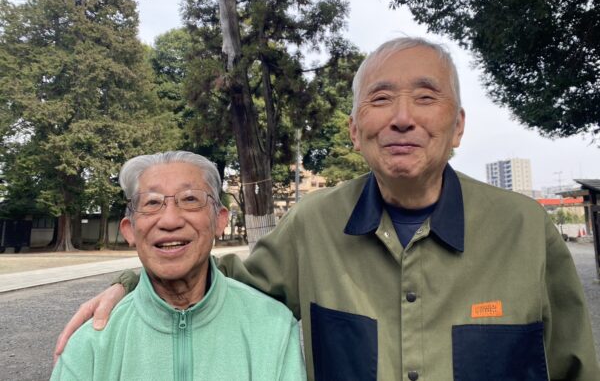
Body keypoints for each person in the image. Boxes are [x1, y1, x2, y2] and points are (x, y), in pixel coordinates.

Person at [55, 38, 600, 380]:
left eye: (425, 97)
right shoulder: (313, 225)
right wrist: (131, 282)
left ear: (457, 125)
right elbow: (218, 276)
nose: (402, 117)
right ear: (355, 130)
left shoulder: (525, 230)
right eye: (380, 99)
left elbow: (576, 367)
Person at [51, 151, 306, 380]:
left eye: (190, 199)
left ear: (219, 221)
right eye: (152, 203)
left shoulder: (273, 328)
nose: (170, 220)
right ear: (129, 230)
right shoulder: (90, 343)